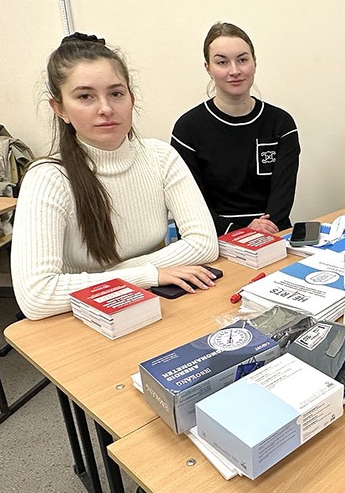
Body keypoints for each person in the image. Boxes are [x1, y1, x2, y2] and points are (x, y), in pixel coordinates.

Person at [11, 33, 219, 321]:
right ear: (59, 109)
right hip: (78, 319)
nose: (106, 108)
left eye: (116, 94)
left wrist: (118, 275)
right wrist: (147, 275)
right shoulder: (48, 178)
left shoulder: (160, 156)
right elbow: (37, 297)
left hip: (153, 305)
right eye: (85, 96)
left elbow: (204, 244)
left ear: (131, 98)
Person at [171, 22, 300, 236]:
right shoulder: (187, 130)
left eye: (242, 60)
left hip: (273, 233)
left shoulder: (281, 124)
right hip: (214, 237)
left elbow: (282, 198)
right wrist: (241, 233)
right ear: (208, 68)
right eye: (222, 62)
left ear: (254, 62)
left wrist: (261, 232)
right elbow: (190, 206)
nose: (235, 71)